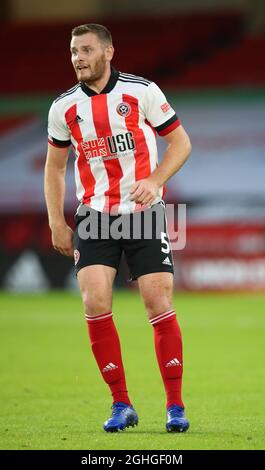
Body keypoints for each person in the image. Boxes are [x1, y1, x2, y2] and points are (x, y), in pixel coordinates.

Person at [44, 23, 192, 433]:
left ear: (109, 52)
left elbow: (181, 143)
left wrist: (156, 179)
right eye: (74, 50)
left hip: (144, 212)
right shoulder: (64, 107)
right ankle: (121, 404)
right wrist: (57, 220)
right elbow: (55, 167)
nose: (78, 57)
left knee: (157, 302)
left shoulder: (141, 92)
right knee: (94, 303)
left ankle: (175, 406)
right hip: (93, 216)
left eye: (87, 49)